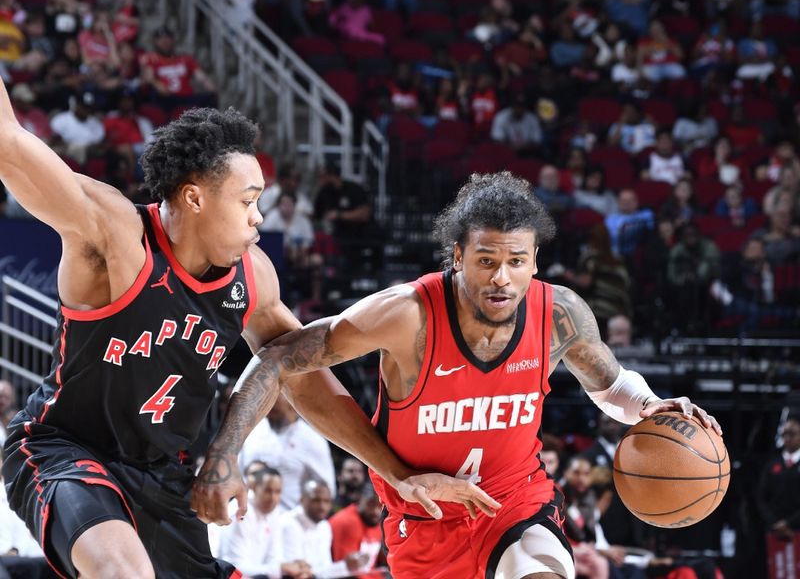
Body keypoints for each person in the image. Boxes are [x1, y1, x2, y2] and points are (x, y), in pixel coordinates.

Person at [0, 74, 495, 579]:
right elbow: (9, 145)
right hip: (64, 450)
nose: (259, 218)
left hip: (160, 474)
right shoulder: (116, 236)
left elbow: (300, 374)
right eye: (247, 200)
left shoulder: (252, 275)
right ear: (195, 198)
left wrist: (396, 471)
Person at [195, 172, 721, 578]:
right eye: (486, 259)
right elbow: (280, 357)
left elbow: (612, 386)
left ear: (535, 260)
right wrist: (223, 456)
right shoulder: (407, 314)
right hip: (422, 516)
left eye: (516, 260)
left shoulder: (559, 313)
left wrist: (649, 406)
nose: (501, 277)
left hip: (515, 501)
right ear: (458, 255)